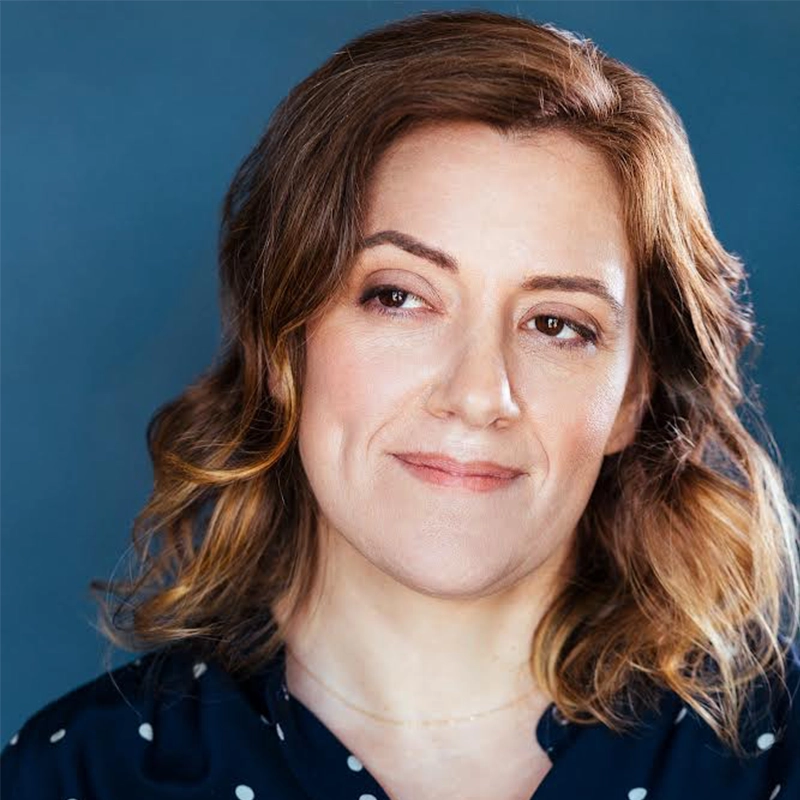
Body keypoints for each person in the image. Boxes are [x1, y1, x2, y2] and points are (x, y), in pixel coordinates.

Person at [2, 8, 798, 800]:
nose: (478, 395)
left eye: (557, 324)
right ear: (285, 342)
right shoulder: (78, 778)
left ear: (632, 396)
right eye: (399, 297)